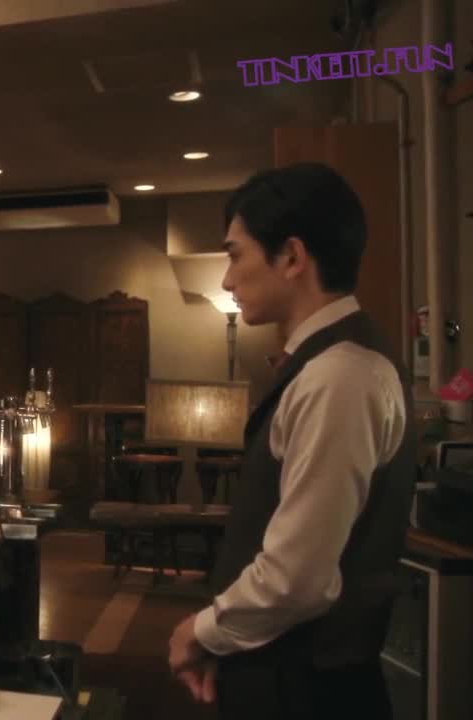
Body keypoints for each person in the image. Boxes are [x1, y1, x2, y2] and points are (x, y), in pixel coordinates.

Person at [167, 162, 415, 719]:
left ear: (292, 257)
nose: (227, 280)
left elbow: (296, 579)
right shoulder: (327, 365)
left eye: (235, 255)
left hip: (310, 693)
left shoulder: (339, 374)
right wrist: (229, 641)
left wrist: (201, 630)